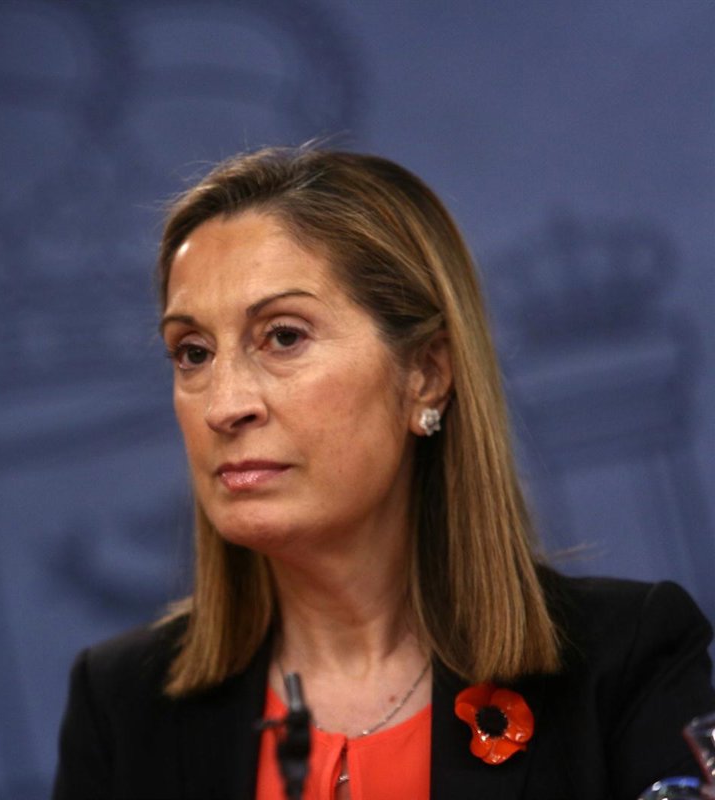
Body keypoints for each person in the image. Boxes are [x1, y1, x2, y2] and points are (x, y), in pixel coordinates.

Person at [51, 146, 715, 800]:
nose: (223, 406)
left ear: (426, 374)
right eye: (193, 353)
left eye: (284, 336)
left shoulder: (623, 662)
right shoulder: (121, 704)